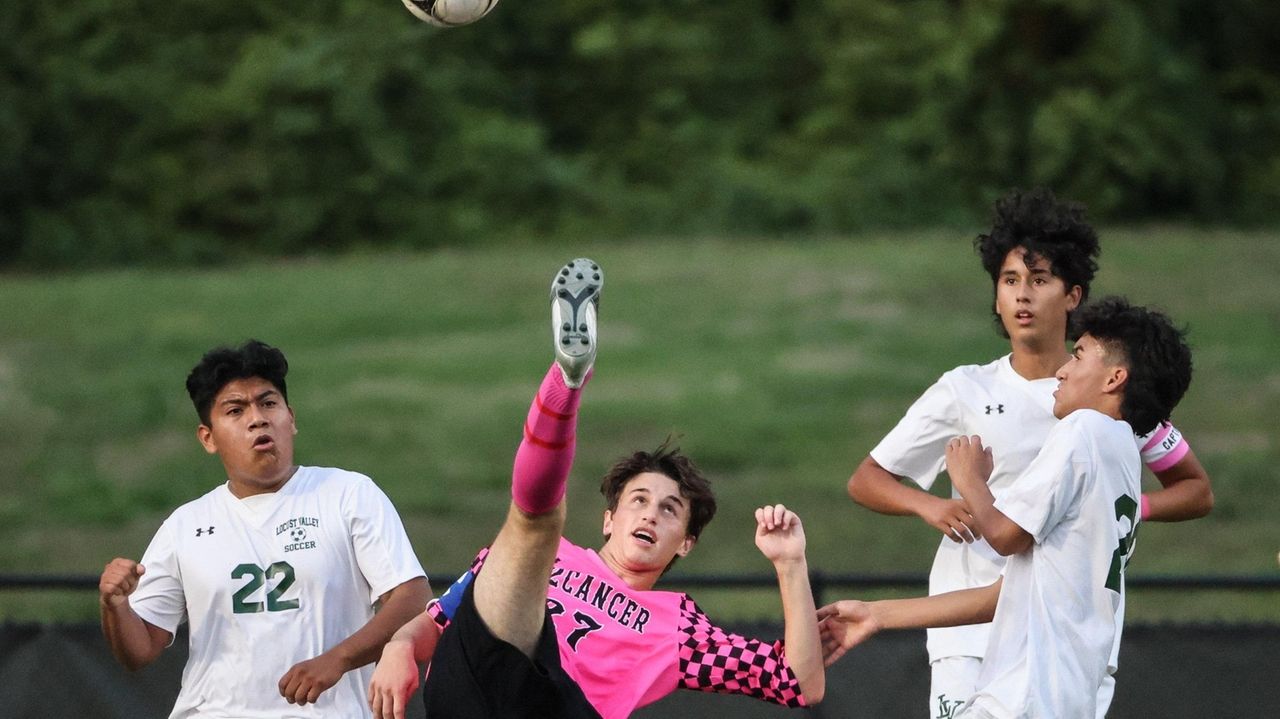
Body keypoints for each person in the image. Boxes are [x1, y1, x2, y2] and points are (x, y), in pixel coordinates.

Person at [367, 258, 825, 719]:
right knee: (530, 533)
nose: (650, 514)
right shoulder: (543, 560)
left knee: (535, 531)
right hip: (474, 683)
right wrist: (399, 647)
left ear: (686, 543)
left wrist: (790, 563)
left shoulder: (678, 625)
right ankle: (567, 378)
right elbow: (441, 618)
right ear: (609, 518)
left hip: (559, 707)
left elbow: (798, 684)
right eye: (639, 501)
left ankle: (568, 381)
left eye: (670, 510)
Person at [844, 188, 1212, 717]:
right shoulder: (973, 390)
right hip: (984, 627)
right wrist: (930, 508)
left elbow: (1195, 490)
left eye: (1039, 281)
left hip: (1051, 650)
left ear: (1073, 296)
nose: (1022, 295)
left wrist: (973, 481)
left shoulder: (1102, 413)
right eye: (1010, 280)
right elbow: (868, 479)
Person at [99, 339, 431, 718]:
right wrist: (115, 603)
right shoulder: (185, 526)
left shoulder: (348, 494)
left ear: (291, 418)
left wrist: (338, 659)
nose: (257, 418)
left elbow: (412, 597)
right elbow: (139, 650)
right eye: (236, 410)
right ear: (208, 437)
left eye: (268, 403)